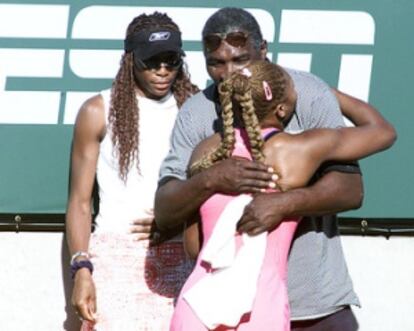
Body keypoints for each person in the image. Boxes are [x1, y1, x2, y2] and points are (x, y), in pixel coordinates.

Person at [154, 7, 397, 331]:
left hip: (314, 303)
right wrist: (213, 179)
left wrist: (283, 203)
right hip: (219, 307)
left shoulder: (306, 93)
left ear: (263, 51)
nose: (227, 73)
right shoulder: (197, 115)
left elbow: (351, 189)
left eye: (239, 59)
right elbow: (168, 209)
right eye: (216, 62)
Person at [65, 12, 198, 331]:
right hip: (116, 257)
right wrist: (82, 268)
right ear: (130, 60)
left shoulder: (196, 108)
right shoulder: (97, 111)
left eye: (171, 60)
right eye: (151, 62)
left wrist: (175, 220)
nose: (163, 70)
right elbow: (80, 203)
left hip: (184, 255)